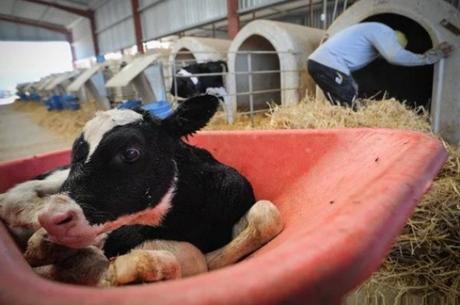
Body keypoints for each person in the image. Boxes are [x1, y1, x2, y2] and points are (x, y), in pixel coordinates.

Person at [307, 22, 454, 106]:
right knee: (349, 96)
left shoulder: (371, 32)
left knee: (340, 103)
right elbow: (394, 56)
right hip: (327, 63)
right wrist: (427, 58)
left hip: (318, 63)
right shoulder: (385, 32)